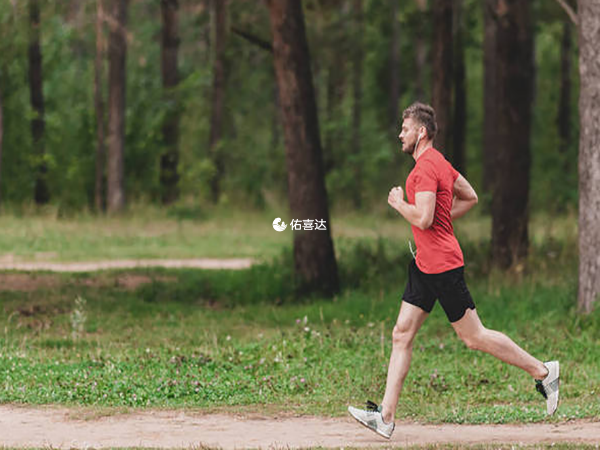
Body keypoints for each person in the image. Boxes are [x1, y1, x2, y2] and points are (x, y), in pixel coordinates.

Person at [347, 102, 559, 440]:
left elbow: (425, 218)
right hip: (424, 264)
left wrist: (399, 203)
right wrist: (441, 220)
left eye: (405, 128)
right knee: (401, 333)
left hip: (442, 267)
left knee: (473, 337)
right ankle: (385, 418)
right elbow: (470, 196)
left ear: (422, 132)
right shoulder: (440, 162)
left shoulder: (425, 169)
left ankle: (543, 371)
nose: (400, 134)